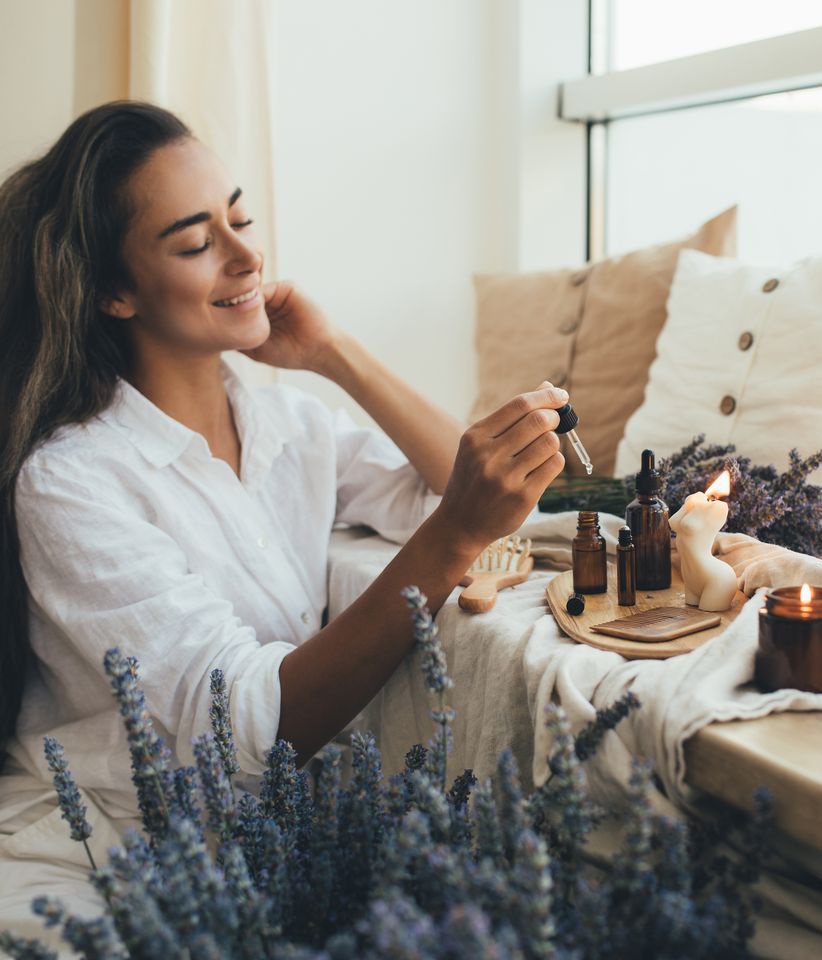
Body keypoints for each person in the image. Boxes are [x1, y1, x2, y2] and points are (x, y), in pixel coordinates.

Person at [0, 100, 566, 944]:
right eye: (196, 243)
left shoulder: (287, 428)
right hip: (98, 849)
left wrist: (336, 355)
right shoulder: (73, 481)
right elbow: (244, 722)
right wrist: (452, 538)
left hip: (265, 847)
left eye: (241, 219)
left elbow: (463, 489)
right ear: (115, 291)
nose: (245, 254)